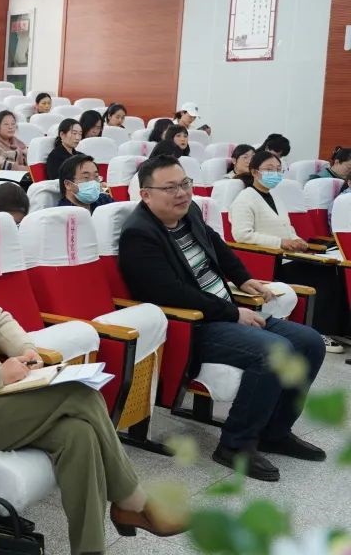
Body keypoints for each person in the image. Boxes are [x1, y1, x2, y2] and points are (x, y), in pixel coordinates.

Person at [0, 178, 185, 554]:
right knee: (79, 395)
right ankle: (133, 501)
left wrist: (27, 349)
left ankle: (90, 549)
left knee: (79, 435)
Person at [119, 155, 326, 481]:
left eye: (185, 184)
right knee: (276, 351)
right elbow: (169, 293)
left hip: (225, 311)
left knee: (310, 342)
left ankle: (274, 432)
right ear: (146, 194)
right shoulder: (139, 235)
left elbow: (217, 245)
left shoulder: (189, 212)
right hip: (193, 326)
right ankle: (235, 445)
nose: (182, 193)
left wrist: (244, 278)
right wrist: (232, 312)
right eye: (170, 188)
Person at [230, 150, 349, 354]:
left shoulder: (275, 196)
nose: (275, 174)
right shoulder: (245, 198)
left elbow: (287, 227)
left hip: (286, 256)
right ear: (255, 172)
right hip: (268, 262)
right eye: (269, 169)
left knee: (332, 271)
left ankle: (338, 329)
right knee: (321, 276)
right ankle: (318, 330)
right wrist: (281, 242)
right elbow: (242, 235)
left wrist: (296, 240)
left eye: (278, 169)